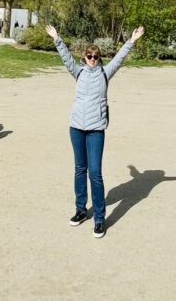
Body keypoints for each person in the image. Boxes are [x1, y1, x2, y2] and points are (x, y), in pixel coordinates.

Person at [45, 23, 144, 238]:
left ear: (99, 58)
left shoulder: (105, 73)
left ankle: (99, 218)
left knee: (95, 174)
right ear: (84, 57)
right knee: (80, 170)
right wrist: (57, 38)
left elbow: (119, 58)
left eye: (96, 56)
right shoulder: (78, 72)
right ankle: (81, 210)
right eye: (89, 56)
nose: (92, 59)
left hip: (96, 129)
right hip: (76, 128)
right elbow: (65, 58)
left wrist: (132, 40)